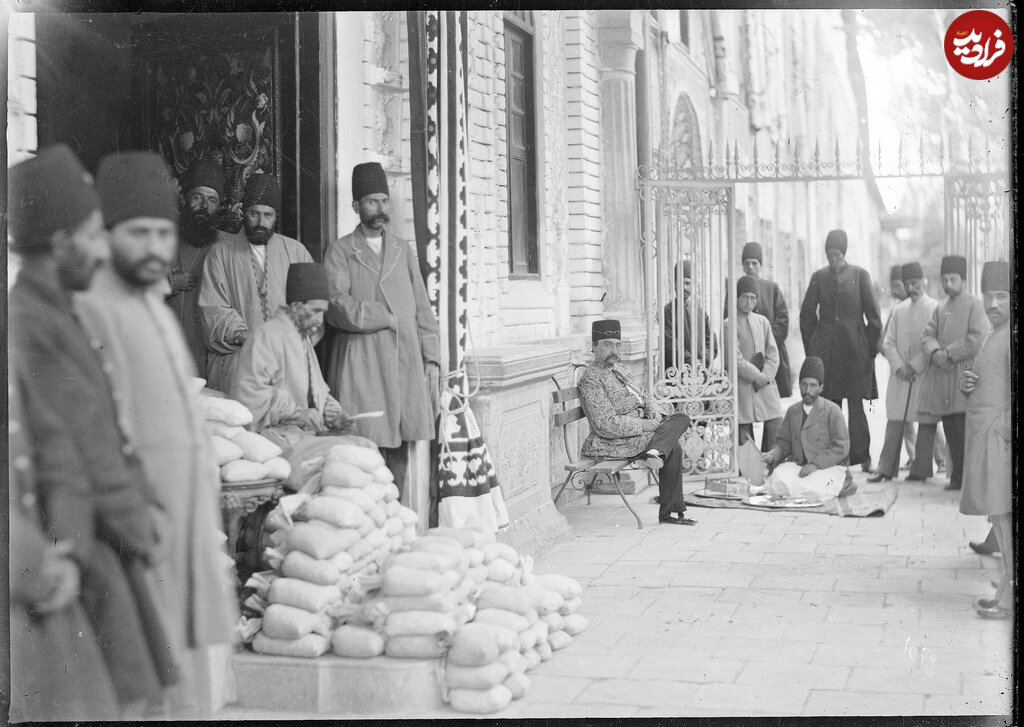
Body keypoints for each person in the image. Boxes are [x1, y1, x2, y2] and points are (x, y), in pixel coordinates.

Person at [7, 144, 173, 716]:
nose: (103, 251)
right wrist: (139, 523)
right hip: (90, 556)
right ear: (59, 244)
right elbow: (79, 446)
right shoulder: (32, 323)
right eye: (94, 234)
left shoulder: (58, 310)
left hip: (97, 546)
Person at [74, 151, 239, 717]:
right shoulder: (92, 312)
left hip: (183, 539)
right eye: (137, 232)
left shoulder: (150, 305)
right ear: (107, 233)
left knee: (186, 692)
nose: (152, 246)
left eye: (162, 233)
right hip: (137, 549)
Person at [324, 162, 441, 497]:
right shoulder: (341, 251)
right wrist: (385, 316)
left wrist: (431, 357)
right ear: (355, 206)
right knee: (366, 443)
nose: (379, 209)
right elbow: (336, 305)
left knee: (401, 444)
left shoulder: (403, 249)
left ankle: (398, 521)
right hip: (362, 361)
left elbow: (422, 306)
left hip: (404, 360)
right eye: (371, 202)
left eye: (383, 201)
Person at [199, 172, 315, 392]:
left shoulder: (296, 251)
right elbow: (214, 310)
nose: (261, 222)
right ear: (243, 211)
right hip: (238, 366)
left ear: (277, 215)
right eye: (254, 214)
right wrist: (249, 337)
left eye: (268, 215)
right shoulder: (220, 253)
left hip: (286, 366)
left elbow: (313, 307)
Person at [577, 319, 696, 526]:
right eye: (607, 344)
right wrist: (644, 426)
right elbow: (604, 425)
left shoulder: (621, 369)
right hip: (611, 442)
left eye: (617, 344)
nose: (614, 350)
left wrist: (654, 413)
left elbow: (644, 395)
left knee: (681, 418)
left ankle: (655, 451)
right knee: (673, 446)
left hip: (640, 431)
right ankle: (669, 512)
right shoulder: (591, 380)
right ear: (594, 347)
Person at [231, 262, 352, 454]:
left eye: (323, 312)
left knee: (360, 446)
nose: (320, 321)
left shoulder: (302, 337)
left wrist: (332, 412)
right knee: (351, 453)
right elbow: (249, 397)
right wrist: (297, 414)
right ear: (296, 306)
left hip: (300, 434)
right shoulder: (266, 335)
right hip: (272, 436)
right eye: (315, 312)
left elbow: (315, 389)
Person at [799, 229, 882, 471]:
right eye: (829, 254)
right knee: (828, 409)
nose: (833, 259)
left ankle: (863, 459)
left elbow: (874, 318)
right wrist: (813, 348)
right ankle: (830, 459)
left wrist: (868, 349)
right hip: (826, 356)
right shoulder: (818, 277)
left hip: (855, 355)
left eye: (837, 254)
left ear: (844, 253)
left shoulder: (860, 275)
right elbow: (806, 316)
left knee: (856, 408)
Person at [958, 261, 1012, 619]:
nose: (992, 304)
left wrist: (1002, 431)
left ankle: (1009, 598)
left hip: (1000, 442)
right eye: (987, 296)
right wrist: (969, 385)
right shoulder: (997, 333)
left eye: (1001, 296)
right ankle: (1006, 584)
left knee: (1005, 518)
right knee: (998, 516)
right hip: (988, 440)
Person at [909, 255, 990, 490]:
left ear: (963, 280)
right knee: (951, 430)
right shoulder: (940, 307)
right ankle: (957, 478)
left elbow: (977, 339)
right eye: (944, 279)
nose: (947, 284)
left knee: (965, 431)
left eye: (952, 279)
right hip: (943, 379)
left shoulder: (975, 305)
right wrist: (935, 353)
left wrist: (949, 354)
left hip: (964, 375)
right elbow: (927, 335)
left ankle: (968, 480)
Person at [869, 263, 938, 482]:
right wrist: (900, 367)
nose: (912, 288)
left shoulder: (935, 308)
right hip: (900, 376)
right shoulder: (899, 310)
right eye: (908, 284)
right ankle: (886, 468)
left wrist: (914, 366)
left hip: (924, 374)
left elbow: (933, 341)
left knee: (926, 421)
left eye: (915, 283)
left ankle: (921, 470)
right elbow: (888, 343)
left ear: (924, 281)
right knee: (895, 419)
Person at [167, 158, 230, 376]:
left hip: (206, 351)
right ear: (185, 199)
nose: (204, 206)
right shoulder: (162, 237)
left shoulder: (227, 246)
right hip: (165, 350)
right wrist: (167, 283)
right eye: (198, 197)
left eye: (212, 200)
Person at [762, 356, 854, 502]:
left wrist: (816, 464)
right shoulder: (793, 411)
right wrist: (772, 455)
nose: (808, 390)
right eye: (804, 384)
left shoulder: (832, 410)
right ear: (799, 385)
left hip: (826, 467)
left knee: (817, 487)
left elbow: (841, 445)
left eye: (813, 385)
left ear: (821, 387)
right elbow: (783, 442)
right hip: (799, 466)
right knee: (777, 480)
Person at [725, 275, 782, 450]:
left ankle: (773, 463)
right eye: (744, 297)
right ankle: (748, 472)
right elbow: (735, 358)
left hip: (765, 384)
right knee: (743, 433)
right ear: (736, 298)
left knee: (776, 422)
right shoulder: (729, 324)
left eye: (753, 298)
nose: (749, 302)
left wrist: (766, 376)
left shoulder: (763, 322)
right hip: (743, 386)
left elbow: (773, 353)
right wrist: (755, 375)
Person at [737, 241, 792, 401]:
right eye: (747, 263)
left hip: (769, 352)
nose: (751, 267)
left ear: (761, 265)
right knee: (746, 403)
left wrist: (764, 341)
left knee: (770, 403)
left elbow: (783, 320)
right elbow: (730, 319)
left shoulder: (771, 288)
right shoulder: (736, 288)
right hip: (745, 356)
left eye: (755, 263)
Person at [664, 259, 718, 372]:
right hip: (675, 374)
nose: (684, 287)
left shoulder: (700, 313)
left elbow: (712, 342)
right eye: (680, 283)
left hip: (700, 375)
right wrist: (692, 363)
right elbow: (671, 344)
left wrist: (704, 359)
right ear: (674, 284)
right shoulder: (668, 311)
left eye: (688, 283)